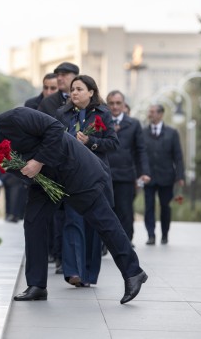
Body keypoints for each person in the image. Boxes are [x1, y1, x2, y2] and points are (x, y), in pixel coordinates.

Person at [0, 108, 147, 304]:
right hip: (43, 185)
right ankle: (37, 286)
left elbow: (55, 129)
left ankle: (133, 273)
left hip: (74, 171)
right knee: (33, 223)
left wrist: (37, 161)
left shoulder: (16, 118)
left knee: (104, 223)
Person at [56, 75, 118, 287]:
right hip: (70, 178)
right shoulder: (62, 115)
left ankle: (89, 274)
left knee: (93, 225)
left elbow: (112, 143)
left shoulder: (103, 114)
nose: (74, 93)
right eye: (72, 89)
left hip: (95, 178)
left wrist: (90, 141)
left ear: (91, 92)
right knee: (72, 221)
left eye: (79, 89)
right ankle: (73, 271)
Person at [38, 62, 79, 274]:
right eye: (58, 75)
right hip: (54, 169)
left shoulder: (86, 102)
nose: (60, 78)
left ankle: (74, 260)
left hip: (79, 169)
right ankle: (60, 258)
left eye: (65, 75)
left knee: (76, 216)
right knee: (58, 216)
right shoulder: (48, 104)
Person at [106, 91, 150, 244]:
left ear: (124, 105)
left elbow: (141, 150)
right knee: (105, 211)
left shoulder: (134, 124)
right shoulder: (99, 123)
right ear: (107, 105)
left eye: (118, 103)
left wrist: (143, 172)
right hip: (105, 174)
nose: (115, 106)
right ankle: (104, 243)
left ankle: (125, 242)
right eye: (111, 103)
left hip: (125, 175)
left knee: (125, 211)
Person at [142, 104, 185, 245]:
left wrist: (180, 176)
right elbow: (139, 155)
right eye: (150, 112)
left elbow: (178, 157)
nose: (150, 114)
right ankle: (151, 235)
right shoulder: (142, 132)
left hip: (166, 177)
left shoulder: (172, 133)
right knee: (148, 207)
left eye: (153, 112)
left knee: (165, 206)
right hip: (148, 177)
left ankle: (165, 234)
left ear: (161, 114)